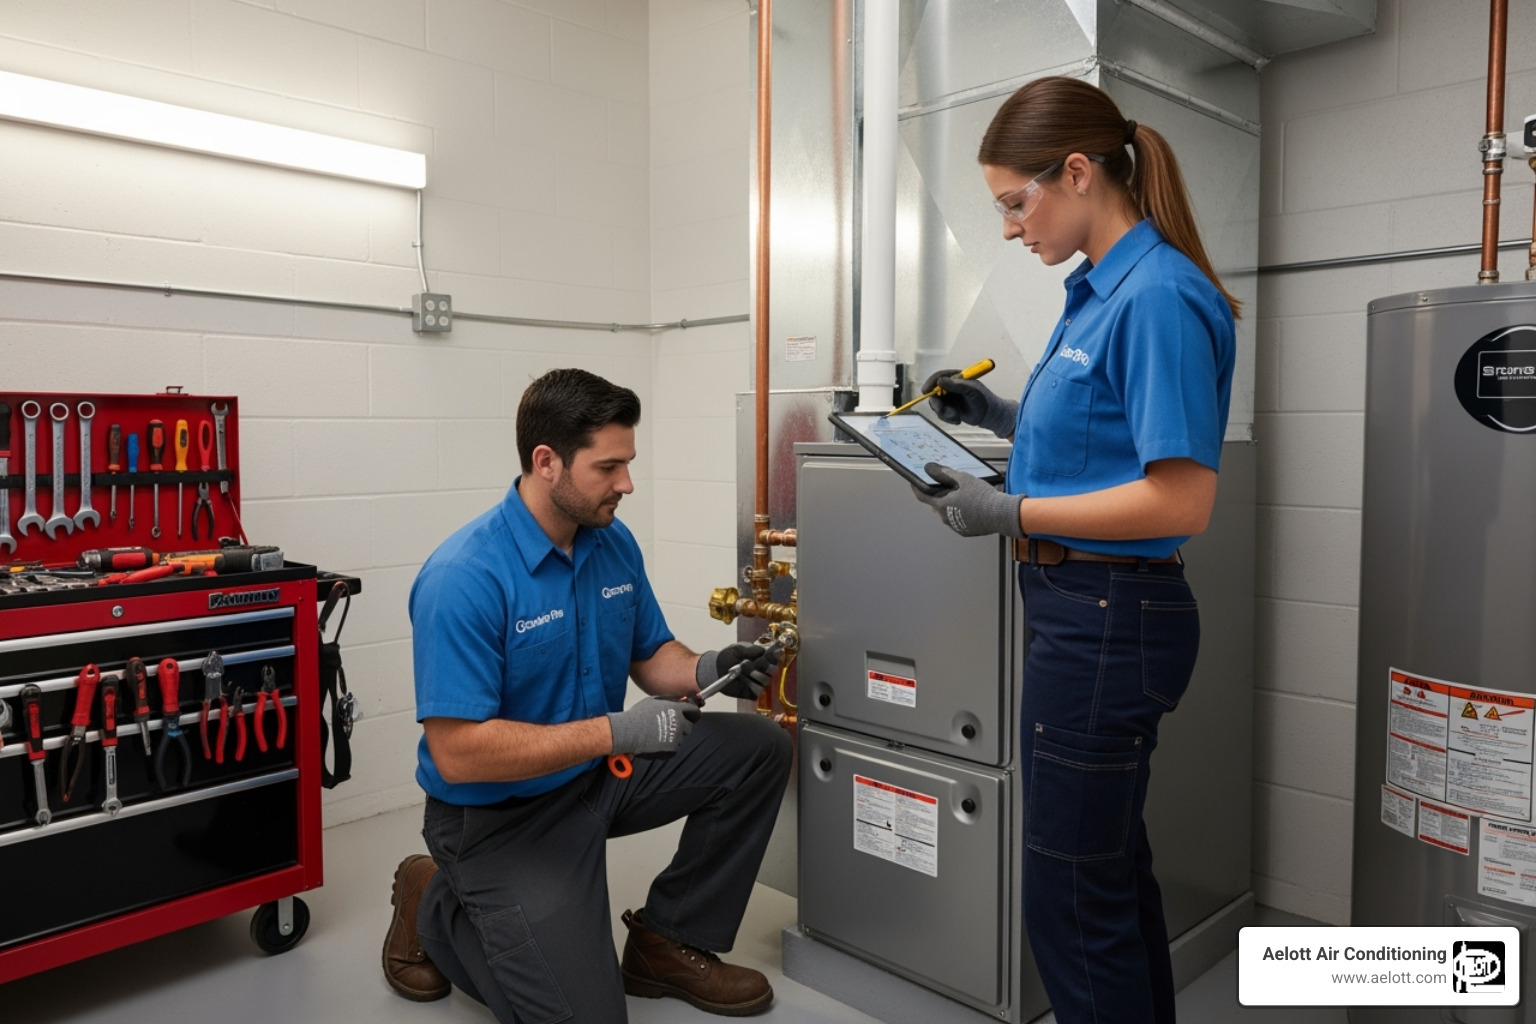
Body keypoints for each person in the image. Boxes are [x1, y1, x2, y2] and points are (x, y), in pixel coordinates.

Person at [908, 77, 1238, 1024]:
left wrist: (1010, 516)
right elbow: (1107, 441)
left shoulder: (1158, 294)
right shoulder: (1097, 291)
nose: (1012, 228)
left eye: (1017, 202)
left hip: (1109, 619)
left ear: (1081, 172)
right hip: (1082, 615)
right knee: (1104, 876)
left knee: (1068, 894)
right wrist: (1000, 417)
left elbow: (1181, 496)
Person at [382, 367, 792, 1022]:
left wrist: (707, 665)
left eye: (627, 464)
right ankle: (432, 899)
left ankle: (667, 939)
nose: (626, 484)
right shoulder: (465, 577)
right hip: (499, 819)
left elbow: (650, 654)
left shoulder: (610, 543)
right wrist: (616, 732)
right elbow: (458, 754)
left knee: (760, 749)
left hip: (596, 777)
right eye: (609, 468)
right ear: (547, 462)